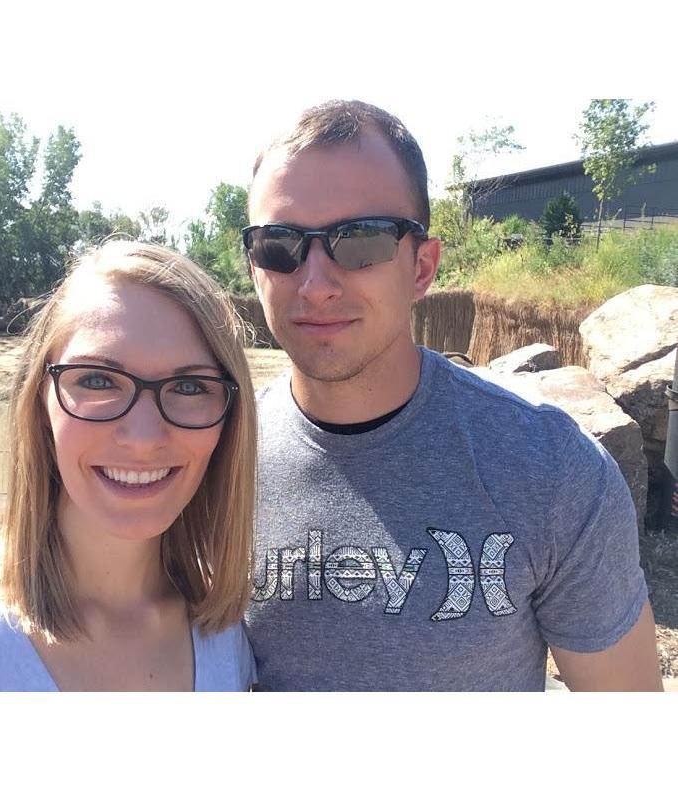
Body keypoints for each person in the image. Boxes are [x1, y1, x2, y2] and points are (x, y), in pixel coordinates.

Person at [242, 99, 663, 691]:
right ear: (253, 263)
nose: (314, 283)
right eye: (280, 243)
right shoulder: (210, 459)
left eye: (360, 240)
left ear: (422, 267)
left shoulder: (549, 469)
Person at [0, 240, 257, 691]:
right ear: (39, 402)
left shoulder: (224, 633)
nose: (142, 440)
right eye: (98, 380)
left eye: (189, 386)